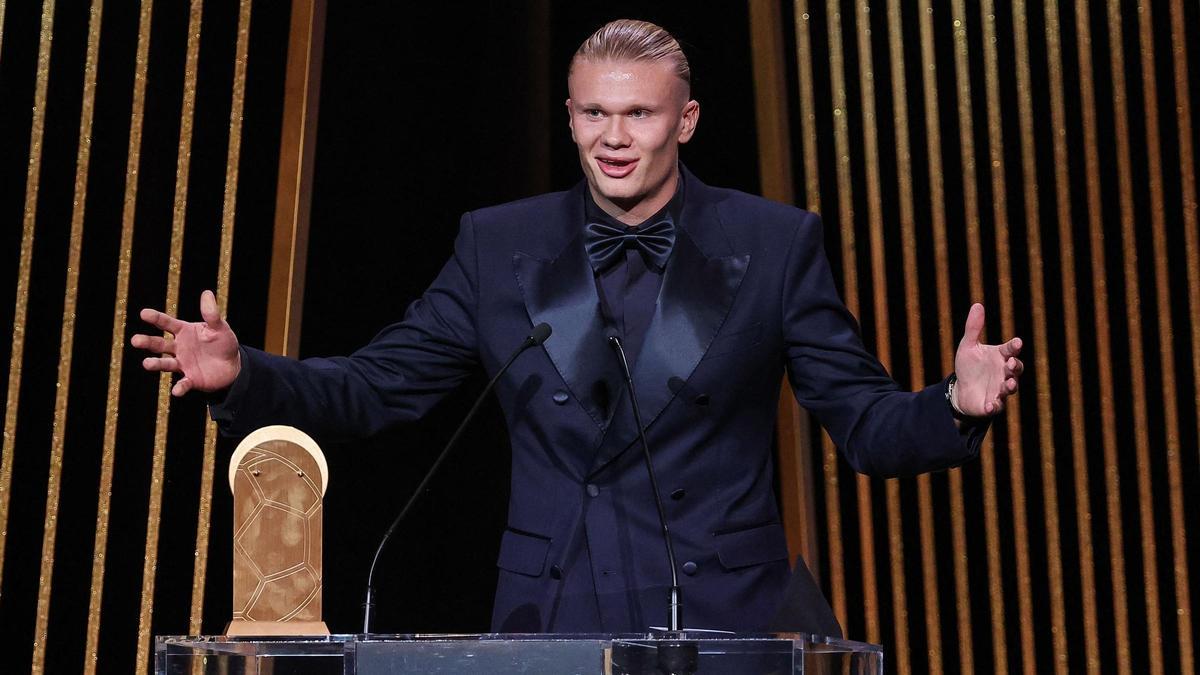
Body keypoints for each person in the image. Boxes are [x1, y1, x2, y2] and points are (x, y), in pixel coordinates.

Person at [133, 20, 1023, 634]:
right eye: (594, 112)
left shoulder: (775, 243)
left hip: (724, 625)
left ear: (686, 119)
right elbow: (376, 388)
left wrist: (954, 401)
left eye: (639, 112)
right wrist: (247, 372)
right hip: (546, 623)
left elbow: (864, 425)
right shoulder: (498, 244)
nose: (615, 136)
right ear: (569, 116)